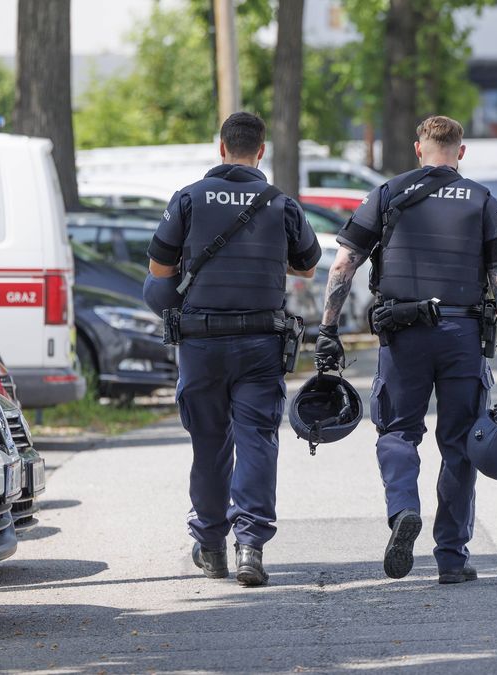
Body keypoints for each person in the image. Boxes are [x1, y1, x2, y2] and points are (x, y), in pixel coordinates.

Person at [314, 115, 497, 584]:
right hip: (462, 336)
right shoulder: (484, 201)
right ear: (462, 151)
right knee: (459, 445)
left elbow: (342, 265)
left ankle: (403, 511)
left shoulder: (388, 194)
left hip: (402, 334)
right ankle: (452, 557)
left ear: (418, 149)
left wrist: (328, 329)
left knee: (396, 432)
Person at [146, 112, 321, 587]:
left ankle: (210, 546)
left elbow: (159, 273)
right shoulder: (280, 203)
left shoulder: (188, 198)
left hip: (202, 345)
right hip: (260, 345)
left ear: (220, 147)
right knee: (257, 442)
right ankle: (251, 548)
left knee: (209, 446)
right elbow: (307, 267)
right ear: (260, 151)